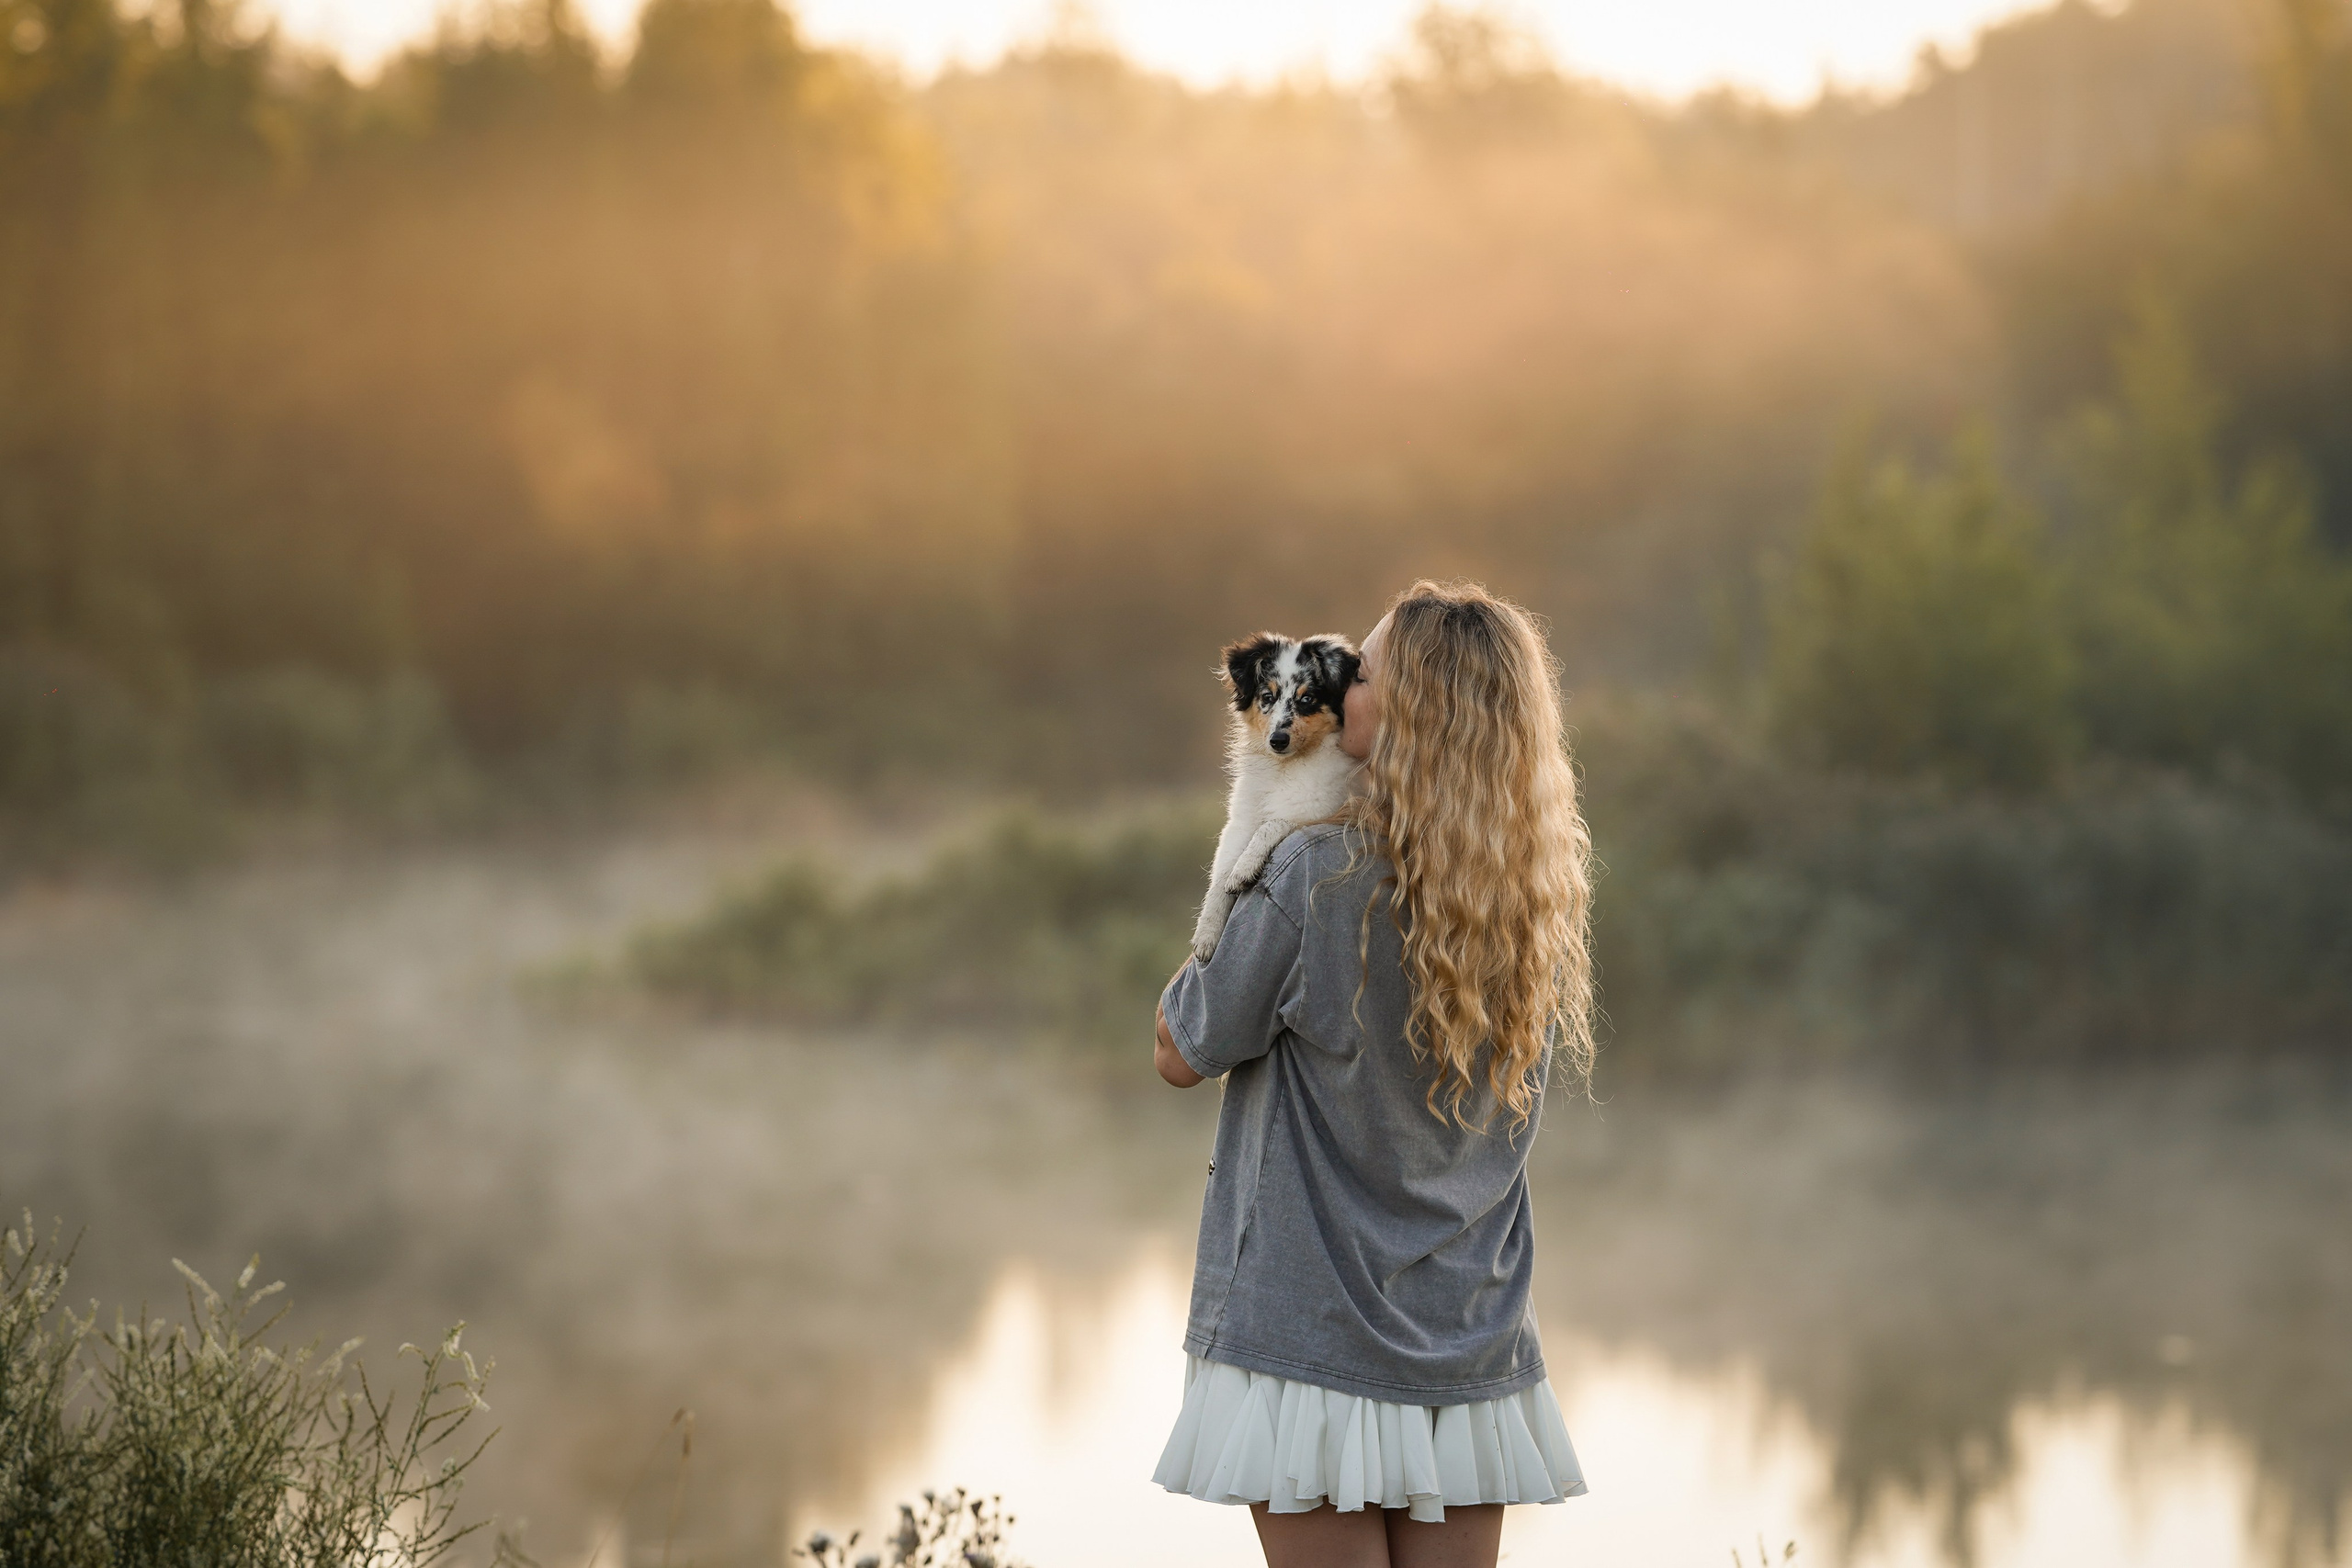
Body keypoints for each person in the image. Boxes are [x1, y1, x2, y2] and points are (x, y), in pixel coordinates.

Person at [1150, 580, 1598, 1568]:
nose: (1340, 680)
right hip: (1465, 1332)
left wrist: (1244, 867)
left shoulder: (1312, 876)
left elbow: (1180, 1048)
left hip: (1311, 1336)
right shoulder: (1526, 899)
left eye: (1365, 667)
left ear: (1407, 710)